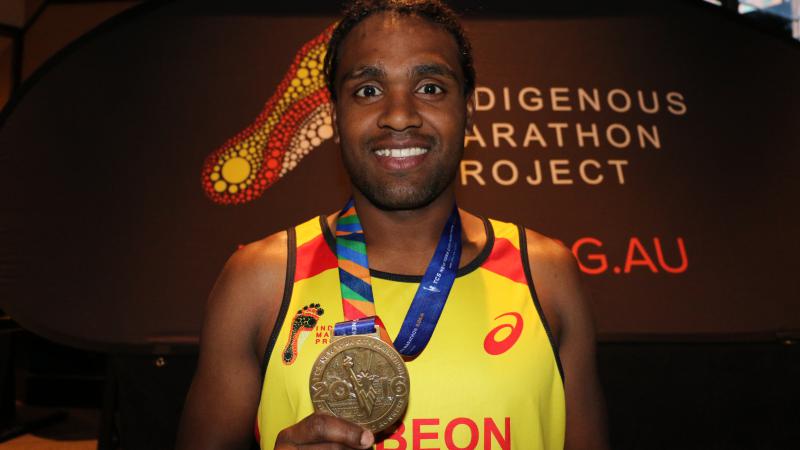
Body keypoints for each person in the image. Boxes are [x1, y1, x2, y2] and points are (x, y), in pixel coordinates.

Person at [177, 1, 608, 449]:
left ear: (469, 109)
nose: (400, 115)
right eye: (367, 90)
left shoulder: (547, 275)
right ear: (335, 118)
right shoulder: (257, 281)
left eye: (430, 87)